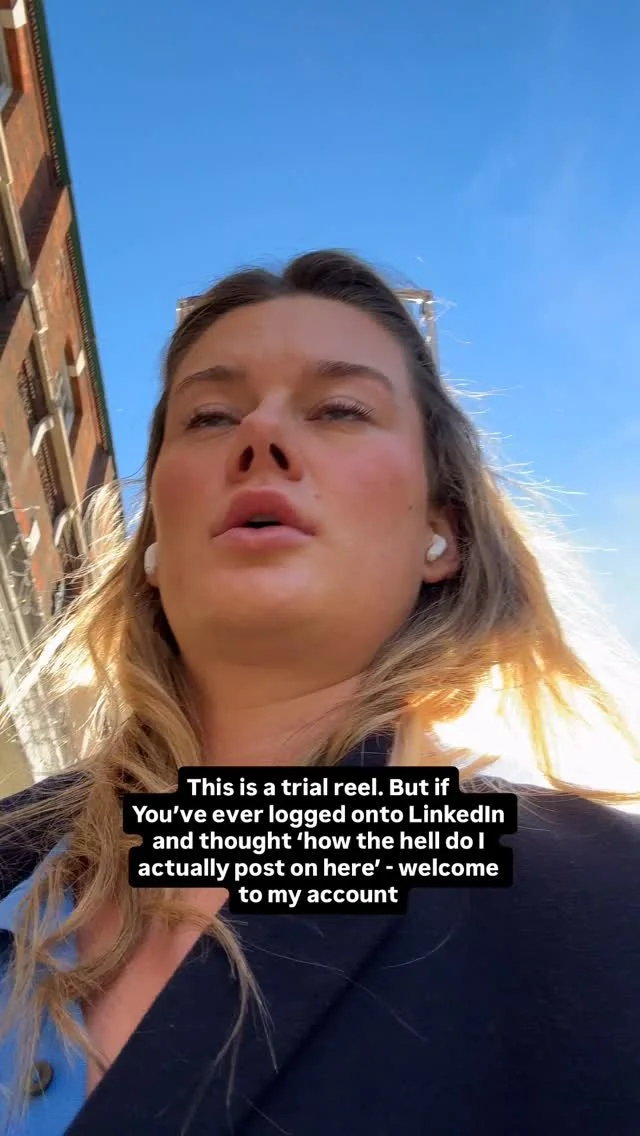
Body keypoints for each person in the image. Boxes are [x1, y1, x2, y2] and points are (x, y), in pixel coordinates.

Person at [0, 249, 639, 1136]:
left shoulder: (604, 900)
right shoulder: (19, 852)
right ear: (153, 546)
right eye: (210, 416)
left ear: (442, 532)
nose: (260, 436)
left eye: (340, 409)